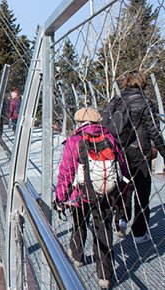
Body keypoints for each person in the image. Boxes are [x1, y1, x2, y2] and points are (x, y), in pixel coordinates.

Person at [53, 108, 128, 289]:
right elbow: (122, 168)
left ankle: (78, 257)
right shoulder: (110, 138)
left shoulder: (74, 140)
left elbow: (66, 172)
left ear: (79, 123)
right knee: (103, 231)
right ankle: (104, 276)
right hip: (106, 194)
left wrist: (60, 198)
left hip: (82, 195)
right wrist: (121, 195)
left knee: (79, 223)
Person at [112, 71, 165, 244]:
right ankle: (139, 233)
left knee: (124, 186)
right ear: (143, 84)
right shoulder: (145, 102)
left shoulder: (117, 101)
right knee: (142, 191)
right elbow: (154, 131)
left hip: (120, 151)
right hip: (140, 153)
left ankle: (121, 219)